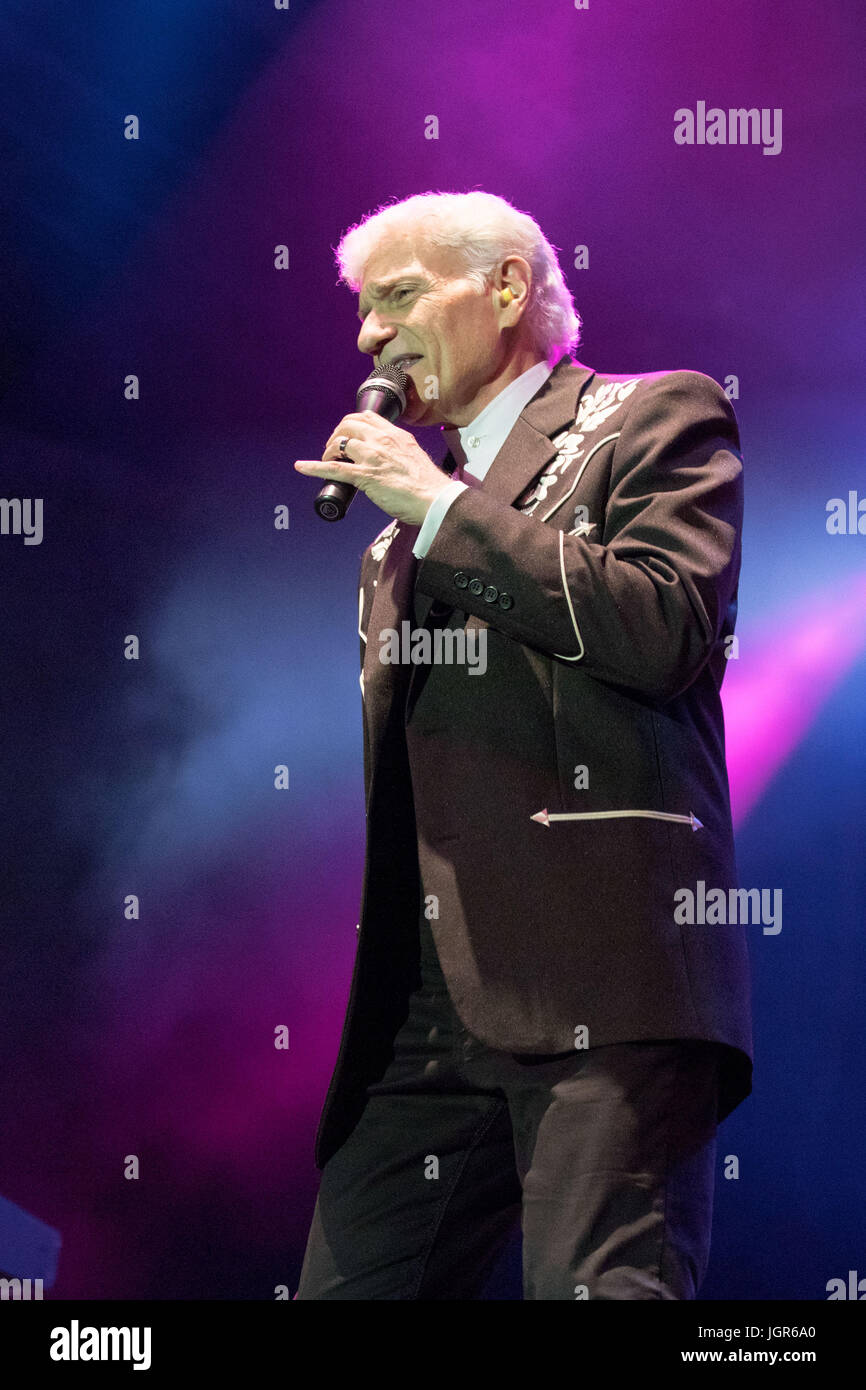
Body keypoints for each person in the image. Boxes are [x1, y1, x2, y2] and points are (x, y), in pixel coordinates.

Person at [293, 190, 752, 1300]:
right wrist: (431, 513)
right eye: (361, 311)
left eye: (398, 296)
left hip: (602, 971)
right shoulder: (397, 541)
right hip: (427, 1005)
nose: (368, 334)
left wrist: (444, 511)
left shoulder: (650, 418)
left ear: (504, 288)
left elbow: (664, 628)